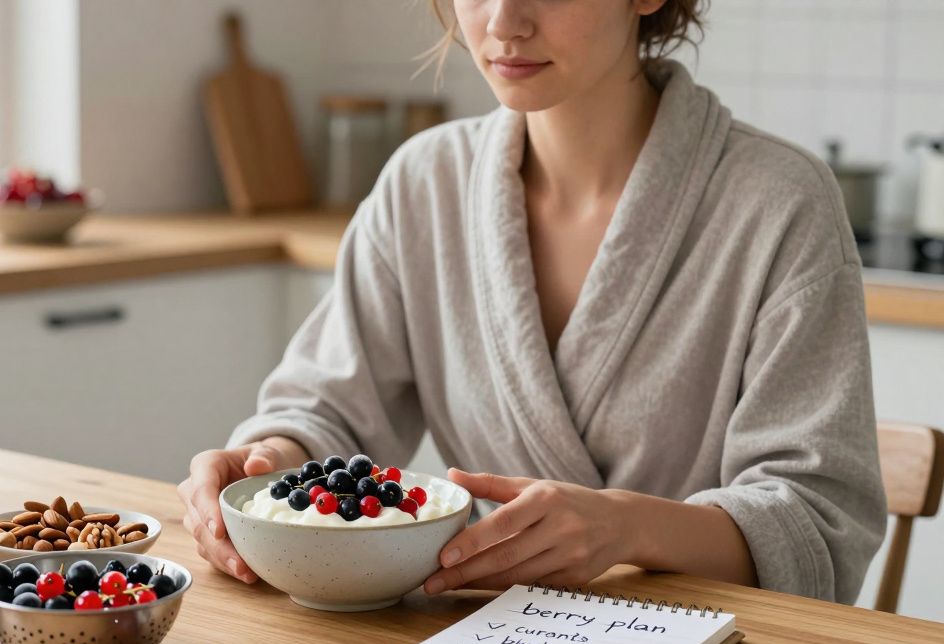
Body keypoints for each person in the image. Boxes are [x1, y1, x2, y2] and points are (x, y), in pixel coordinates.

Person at [177, 0, 886, 604]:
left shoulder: (781, 201)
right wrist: (270, 459)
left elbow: (815, 519)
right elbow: (326, 409)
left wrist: (628, 528)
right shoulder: (423, 184)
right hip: (478, 637)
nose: (504, 21)